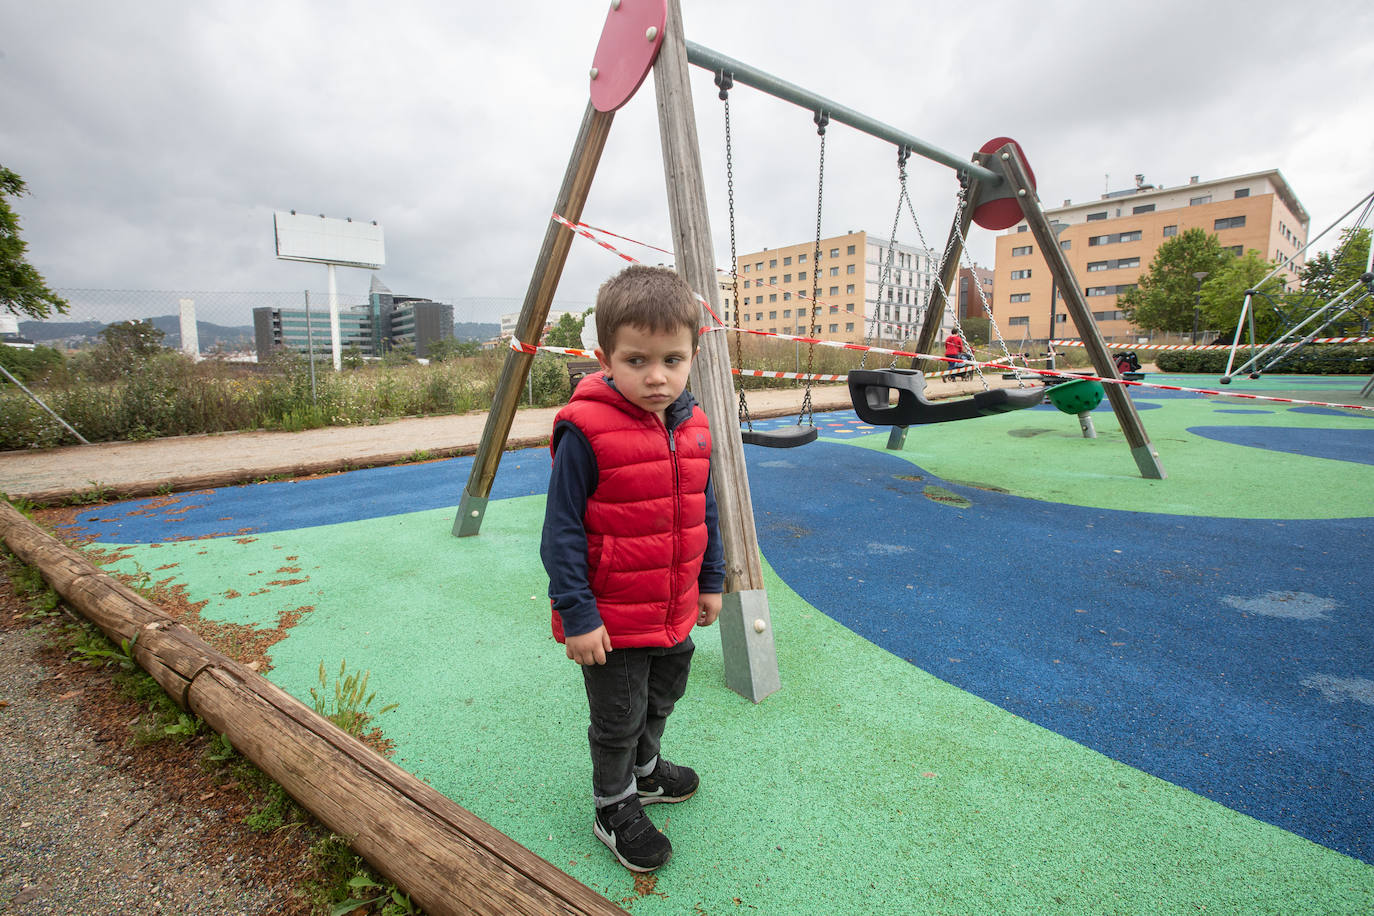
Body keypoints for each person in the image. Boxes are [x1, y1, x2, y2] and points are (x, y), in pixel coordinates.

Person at [540, 264, 725, 873]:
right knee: (617, 717)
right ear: (604, 358)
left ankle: (645, 773)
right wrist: (578, 614)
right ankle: (613, 805)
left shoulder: (693, 424)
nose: (657, 376)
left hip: (673, 605)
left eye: (672, 359)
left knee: (664, 695)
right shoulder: (586, 431)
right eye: (637, 360)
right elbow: (561, 531)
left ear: (693, 353)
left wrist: (711, 579)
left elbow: (704, 506)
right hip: (612, 618)